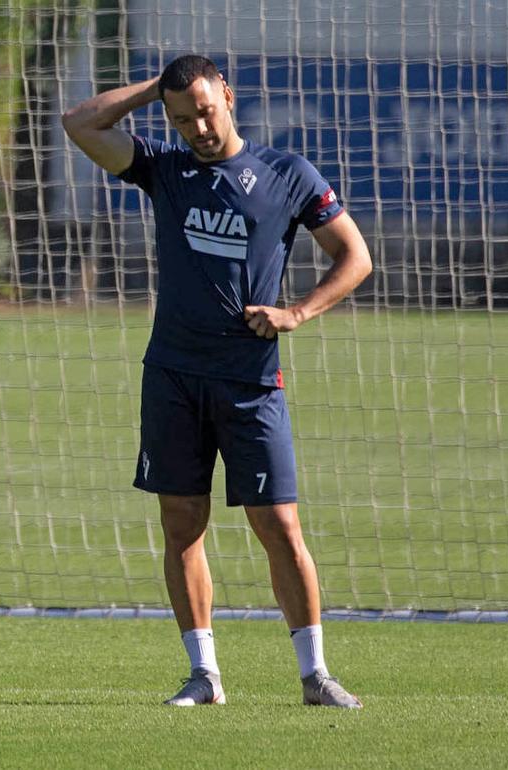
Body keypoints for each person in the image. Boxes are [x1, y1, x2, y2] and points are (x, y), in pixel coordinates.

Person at [62, 55, 371, 708]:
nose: (197, 129)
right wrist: (157, 88)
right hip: (173, 376)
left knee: (278, 524)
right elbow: (80, 123)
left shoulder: (288, 175)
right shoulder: (164, 170)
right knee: (182, 524)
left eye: (204, 111)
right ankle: (204, 675)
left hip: (250, 381)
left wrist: (297, 312)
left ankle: (315, 675)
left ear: (226, 96)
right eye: (182, 119)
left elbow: (355, 256)